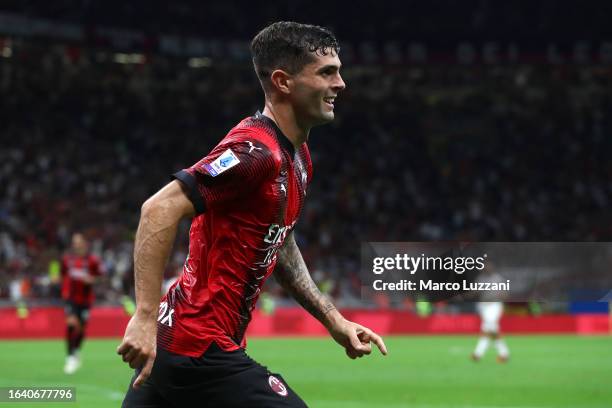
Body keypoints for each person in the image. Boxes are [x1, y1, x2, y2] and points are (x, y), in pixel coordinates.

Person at [118, 21, 387, 407]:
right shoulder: (255, 151)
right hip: (199, 349)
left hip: (181, 345)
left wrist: (333, 319)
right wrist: (143, 316)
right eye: (327, 72)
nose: (341, 83)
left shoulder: (298, 157)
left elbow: (279, 240)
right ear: (283, 81)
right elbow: (158, 208)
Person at [61, 232, 101, 374]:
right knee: (71, 324)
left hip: (85, 300)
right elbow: (62, 274)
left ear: (84, 243)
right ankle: (70, 357)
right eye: (74, 242)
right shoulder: (67, 259)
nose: (76, 245)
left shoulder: (92, 260)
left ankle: (76, 351)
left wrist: (92, 280)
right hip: (71, 298)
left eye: (78, 242)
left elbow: (100, 277)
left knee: (81, 329)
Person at [471, 266, 510, 363]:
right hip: (483, 306)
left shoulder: (498, 279)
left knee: (489, 327)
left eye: (489, 267)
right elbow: (474, 292)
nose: (487, 269)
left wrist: (502, 295)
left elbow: (505, 293)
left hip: (494, 305)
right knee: (489, 329)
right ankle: (503, 354)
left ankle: (479, 353)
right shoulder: (481, 279)